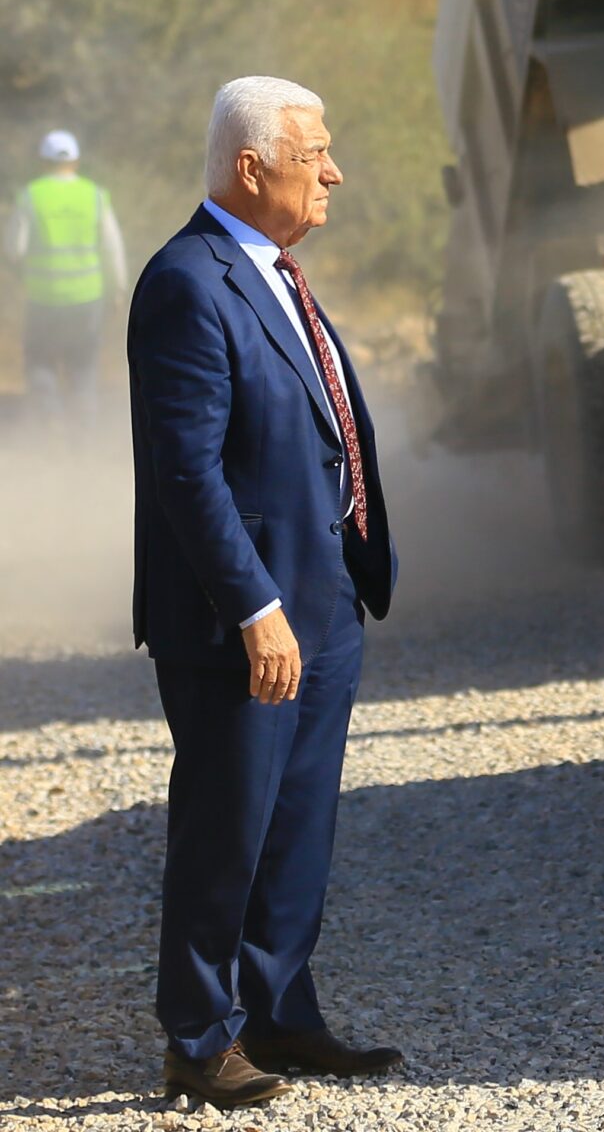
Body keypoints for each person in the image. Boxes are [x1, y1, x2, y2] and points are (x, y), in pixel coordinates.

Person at [128, 77, 400, 1108]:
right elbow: (188, 471)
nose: (332, 172)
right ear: (254, 167)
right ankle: (198, 1040)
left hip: (319, 606)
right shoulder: (188, 282)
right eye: (314, 153)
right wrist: (253, 605)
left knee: (296, 829)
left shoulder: (274, 273)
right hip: (241, 620)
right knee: (226, 826)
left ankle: (280, 1017)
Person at [7, 129, 128, 425]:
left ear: (43, 162)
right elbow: (113, 248)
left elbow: (13, 249)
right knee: (83, 366)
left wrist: (23, 272)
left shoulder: (31, 196)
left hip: (43, 298)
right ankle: (84, 433)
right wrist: (118, 289)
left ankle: (50, 425)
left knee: (41, 361)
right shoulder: (95, 196)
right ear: (75, 161)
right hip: (87, 298)